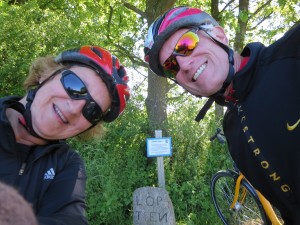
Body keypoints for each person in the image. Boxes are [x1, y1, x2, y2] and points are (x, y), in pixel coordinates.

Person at [143, 6, 300, 225]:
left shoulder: (292, 52)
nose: (184, 64)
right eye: (171, 66)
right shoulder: (232, 129)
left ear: (219, 35)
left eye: (185, 44)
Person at [0, 45, 130, 225]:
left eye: (92, 111)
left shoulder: (67, 164)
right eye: (75, 86)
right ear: (46, 74)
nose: (75, 109)